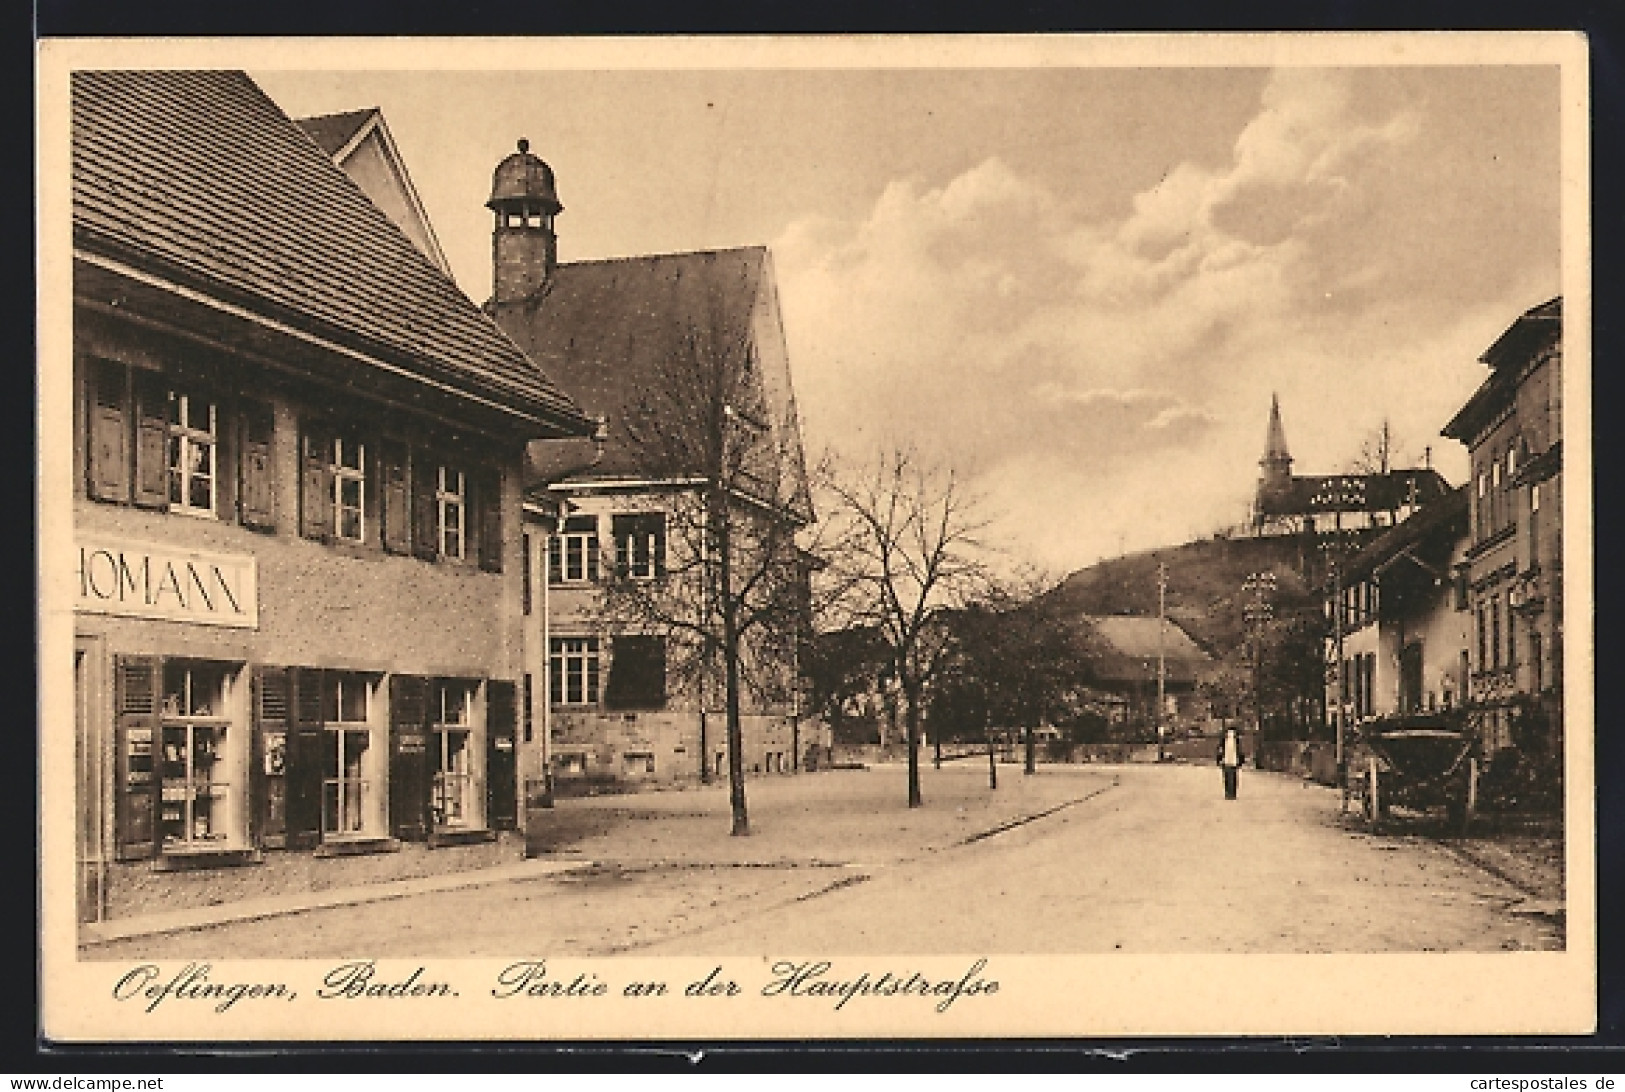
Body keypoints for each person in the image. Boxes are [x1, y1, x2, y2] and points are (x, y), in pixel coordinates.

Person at [1216, 723, 1245, 800]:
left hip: (1230, 759)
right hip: (1229, 759)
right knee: (1231, 777)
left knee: (1229, 777)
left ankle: (1230, 793)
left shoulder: (1232, 740)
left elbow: (1220, 750)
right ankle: (1231, 793)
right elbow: (1240, 751)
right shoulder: (1230, 740)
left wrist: (1219, 759)